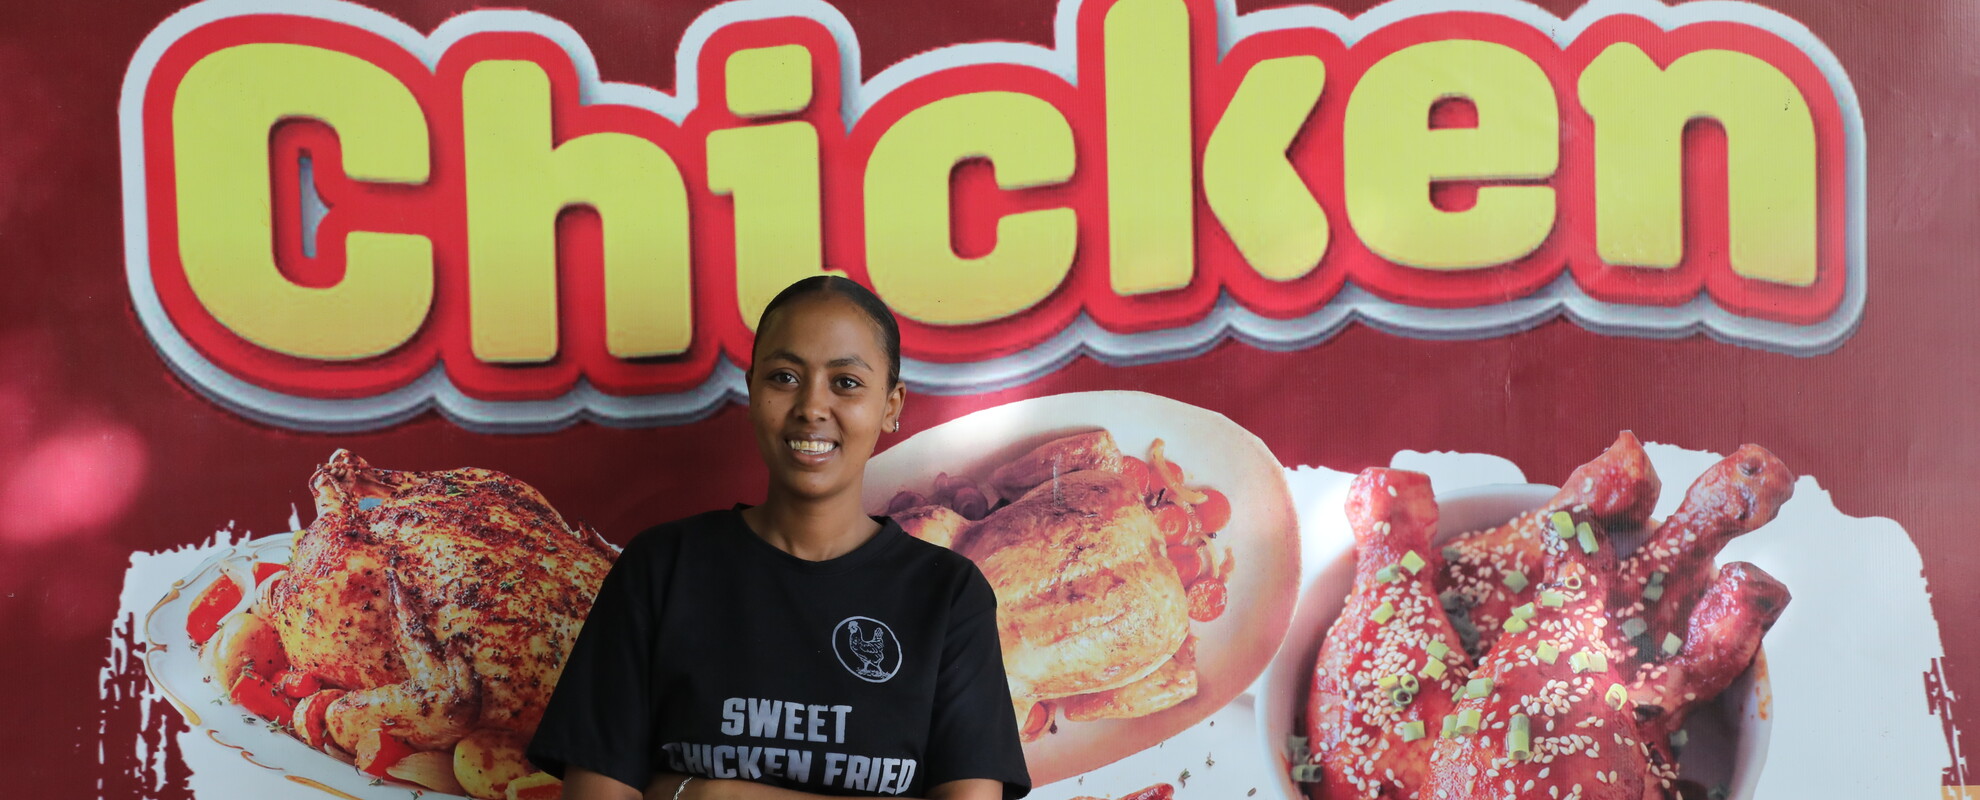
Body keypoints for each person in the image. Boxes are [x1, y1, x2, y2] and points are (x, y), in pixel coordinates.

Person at [527, 276, 1030, 800]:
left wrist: (711, 794)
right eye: (785, 376)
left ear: (891, 405)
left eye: (847, 383)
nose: (812, 406)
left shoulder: (947, 594)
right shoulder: (661, 569)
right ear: (752, 389)